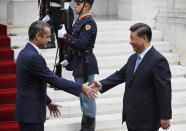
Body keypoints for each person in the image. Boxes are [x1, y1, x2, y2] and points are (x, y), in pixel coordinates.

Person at [15, 21, 97, 131]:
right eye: (48, 37)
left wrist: (47, 101)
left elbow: (33, 84)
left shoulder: (25, 52)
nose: (49, 40)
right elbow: (53, 79)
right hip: (31, 114)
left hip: (29, 112)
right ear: (38, 36)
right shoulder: (32, 56)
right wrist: (81, 87)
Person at [91, 23, 172, 131]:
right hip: (131, 116)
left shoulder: (158, 61)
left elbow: (164, 90)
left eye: (132, 38)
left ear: (144, 38)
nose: (130, 42)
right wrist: (101, 85)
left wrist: (165, 116)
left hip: (148, 118)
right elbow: (120, 75)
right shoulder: (133, 58)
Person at [58, 0, 99, 130]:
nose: (74, 6)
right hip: (79, 62)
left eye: (78, 4)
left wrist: (65, 36)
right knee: (83, 96)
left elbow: (81, 44)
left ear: (86, 6)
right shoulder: (79, 20)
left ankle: (89, 127)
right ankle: (85, 125)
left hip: (85, 63)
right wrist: (67, 58)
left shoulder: (88, 23)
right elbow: (75, 42)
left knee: (88, 96)